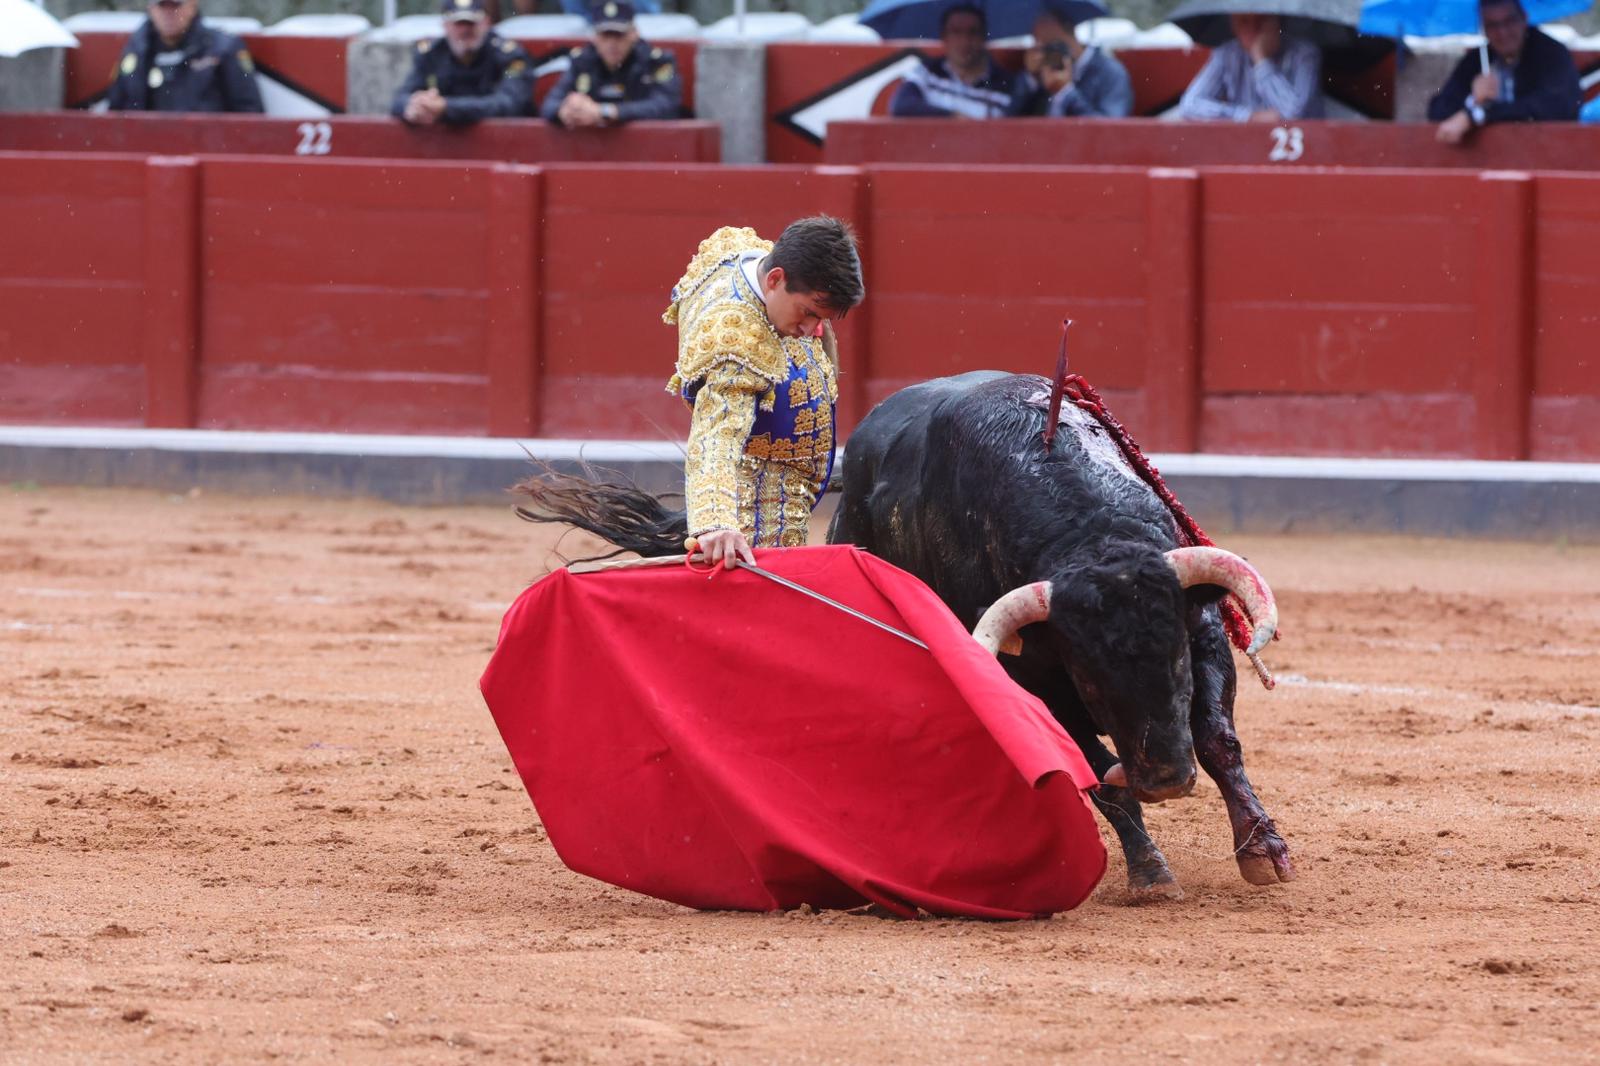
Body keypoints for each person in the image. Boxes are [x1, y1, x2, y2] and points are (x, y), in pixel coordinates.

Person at [665, 218, 865, 568]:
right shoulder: (736, 341)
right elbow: (717, 435)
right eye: (807, 313)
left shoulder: (744, 256)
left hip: (781, 486)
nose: (810, 330)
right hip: (758, 507)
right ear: (774, 280)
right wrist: (717, 523)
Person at [1427, 0, 1580, 145]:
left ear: (1524, 19)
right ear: (1484, 29)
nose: (1503, 32)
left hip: (1545, 152)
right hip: (1485, 159)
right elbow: (1438, 112)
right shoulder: (1477, 60)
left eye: (1509, 21)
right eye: (1493, 25)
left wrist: (1478, 114)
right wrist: (1474, 100)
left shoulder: (1551, 53)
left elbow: (1557, 107)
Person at [539, 0, 683, 127]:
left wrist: (608, 111)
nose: (612, 44)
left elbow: (667, 104)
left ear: (634, 34)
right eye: (605, 36)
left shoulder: (654, 62)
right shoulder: (583, 61)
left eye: (619, 35)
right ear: (595, 37)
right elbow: (549, 104)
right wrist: (566, 111)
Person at [391, 0, 534, 127]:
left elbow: (510, 104)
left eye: (471, 23)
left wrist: (446, 108)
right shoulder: (432, 54)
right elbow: (400, 99)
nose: (465, 30)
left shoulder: (508, 57)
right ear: (445, 26)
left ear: (486, 23)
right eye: (458, 24)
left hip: (504, 143)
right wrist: (413, 106)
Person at [106, 0, 263, 113]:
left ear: (193, 5)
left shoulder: (223, 49)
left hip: (207, 151)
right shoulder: (136, 51)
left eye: (176, 5)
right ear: (151, 8)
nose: (169, 14)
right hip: (145, 150)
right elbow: (115, 115)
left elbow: (250, 115)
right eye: (162, 6)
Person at [888, 4, 1037, 119]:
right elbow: (901, 106)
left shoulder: (1006, 84)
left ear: (984, 37)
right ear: (944, 37)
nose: (965, 41)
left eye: (972, 32)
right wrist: (952, 118)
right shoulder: (927, 72)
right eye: (956, 32)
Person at [1177, 13, 1324, 122]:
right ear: (1234, 26)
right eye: (1244, 21)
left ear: (1277, 21)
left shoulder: (1304, 54)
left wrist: (1261, 60)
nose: (1254, 29)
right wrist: (1249, 116)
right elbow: (1190, 105)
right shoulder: (1226, 54)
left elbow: (1295, 114)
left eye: (1262, 20)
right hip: (1245, 146)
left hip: (1299, 150)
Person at [1024, 5, 1133, 118]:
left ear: (1069, 32)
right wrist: (1030, 78)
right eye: (1039, 44)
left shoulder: (1110, 72)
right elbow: (1013, 118)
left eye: (1050, 41)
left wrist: (1066, 92)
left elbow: (1110, 127)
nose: (1046, 50)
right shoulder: (1042, 74)